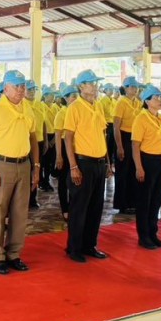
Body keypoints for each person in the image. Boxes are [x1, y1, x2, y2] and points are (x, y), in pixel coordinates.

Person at [0, 70, 39, 275]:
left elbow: (33, 138)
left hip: (24, 164)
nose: (21, 90)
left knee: (20, 212)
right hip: (2, 165)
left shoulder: (27, 107)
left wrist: (36, 166)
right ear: (5, 88)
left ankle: (14, 253)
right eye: (16, 86)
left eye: (23, 86)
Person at [63, 70, 111, 263]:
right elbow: (68, 138)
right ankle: (74, 248)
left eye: (96, 83)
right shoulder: (74, 107)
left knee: (96, 207)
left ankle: (90, 245)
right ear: (81, 86)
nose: (95, 86)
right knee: (79, 208)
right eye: (91, 83)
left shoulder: (98, 105)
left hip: (99, 162)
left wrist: (107, 162)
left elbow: (102, 135)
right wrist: (73, 166)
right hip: (83, 162)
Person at [131, 85, 161, 249]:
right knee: (144, 201)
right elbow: (135, 145)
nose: (160, 100)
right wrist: (139, 167)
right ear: (147, 101)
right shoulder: (141, 118)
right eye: (156, 97)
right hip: (146, 160)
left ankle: (153, 233)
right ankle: (143, 236)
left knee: (156, 199)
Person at [113, 76, 142, 214]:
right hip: (123, 137)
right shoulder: (121, 103)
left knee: (132, 171)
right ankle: (122, 204)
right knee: (122, 172)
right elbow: (116, 127)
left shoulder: (138, 102)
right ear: (125, 88)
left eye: (136, 87)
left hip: (135, 138)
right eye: (132, 87)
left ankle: (133, 202)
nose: (135, 89)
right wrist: (119, 146)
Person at [54, 85, 78, 221]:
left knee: (75, 179)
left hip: (76, 148)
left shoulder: (77, 111)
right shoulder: (61, 114)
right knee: (63, 180)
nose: (76, 99)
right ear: (66, 98)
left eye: (77, 96)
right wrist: (59, 155)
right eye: (73, 96)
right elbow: (58, 136)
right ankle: (65, 209)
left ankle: (73, 206)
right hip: (63, 147)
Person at [24, 80, 46, 210]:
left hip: (39, 141)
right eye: (29, 89)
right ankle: (25, 199)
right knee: (27, 170)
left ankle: (33, 198)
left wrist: (46, 141)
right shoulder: (22, 105)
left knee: (37, 169)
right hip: (27, 142)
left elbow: (43, 123)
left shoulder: (39, 105)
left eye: (33, 89)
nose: (32, 92)